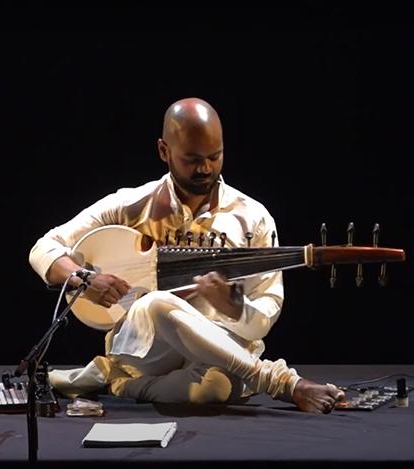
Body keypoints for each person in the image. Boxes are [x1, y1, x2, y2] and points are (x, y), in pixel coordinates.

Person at [29, 97, 344, 413]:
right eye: (191, 159)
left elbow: (265, 313)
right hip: (147, 348)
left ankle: (116, 381)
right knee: (156, 302)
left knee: (213, 389)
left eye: (215, 156)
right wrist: (83, 278)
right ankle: (281, 383)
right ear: (164, 151)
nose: (205, 169)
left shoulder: (253, 218)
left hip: (220, 348)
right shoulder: (130, 205)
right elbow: (44, 247)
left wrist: (237, 309)